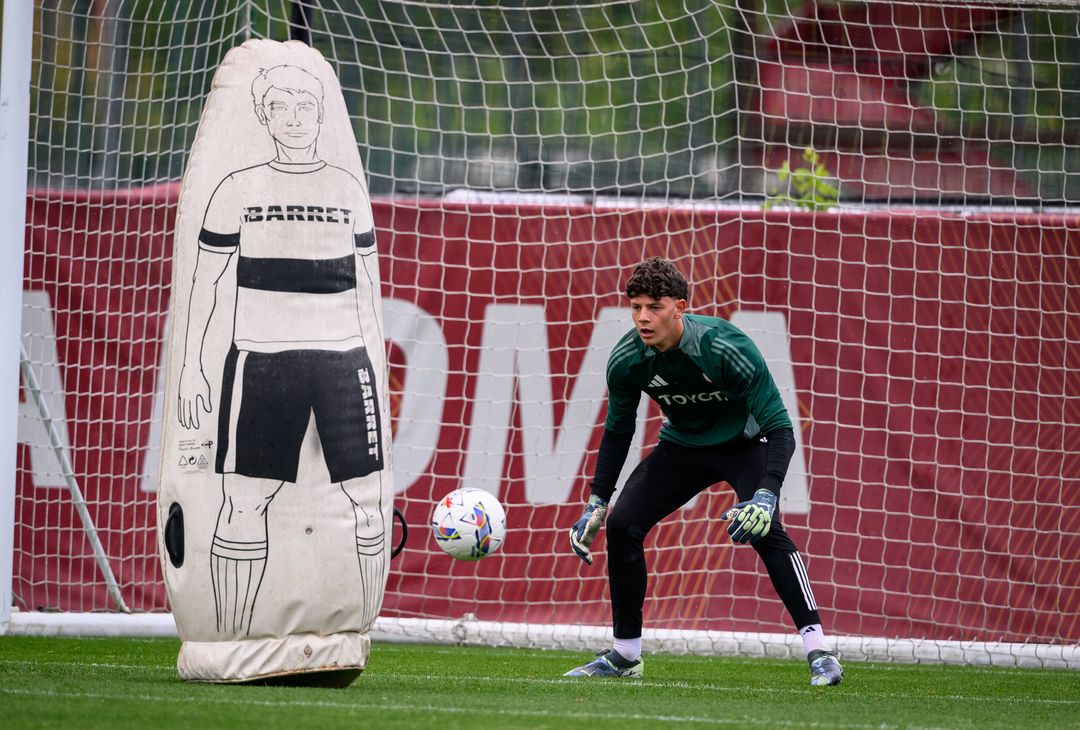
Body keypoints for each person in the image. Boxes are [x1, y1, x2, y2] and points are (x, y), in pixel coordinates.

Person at [176, 64, 388, 636]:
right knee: (244, 500)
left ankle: (357, 632)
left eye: (305, 106)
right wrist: (195, 367)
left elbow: (367, 281)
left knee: (365, 503)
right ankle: (231, 637)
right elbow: (205, 283)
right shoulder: (237, 189)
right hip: (262, 361)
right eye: (281, 107)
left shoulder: (346, 189)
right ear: (265, 117)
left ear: (321, 115)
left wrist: (379, 365)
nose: (294, 119)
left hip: (345, 364)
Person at [564, 256, 843, 687]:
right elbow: (618, 431)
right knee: (622, 524)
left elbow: (781, 429)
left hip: (747, 444)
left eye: (654, 306)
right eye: (636, 306)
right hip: (684, 446)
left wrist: (766, 495)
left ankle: (819, 649)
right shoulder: (627, 359)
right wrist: (598, 499)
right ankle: (625, 654)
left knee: (765, 530)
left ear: (679, 307)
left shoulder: (723, 346)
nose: (643, 317)